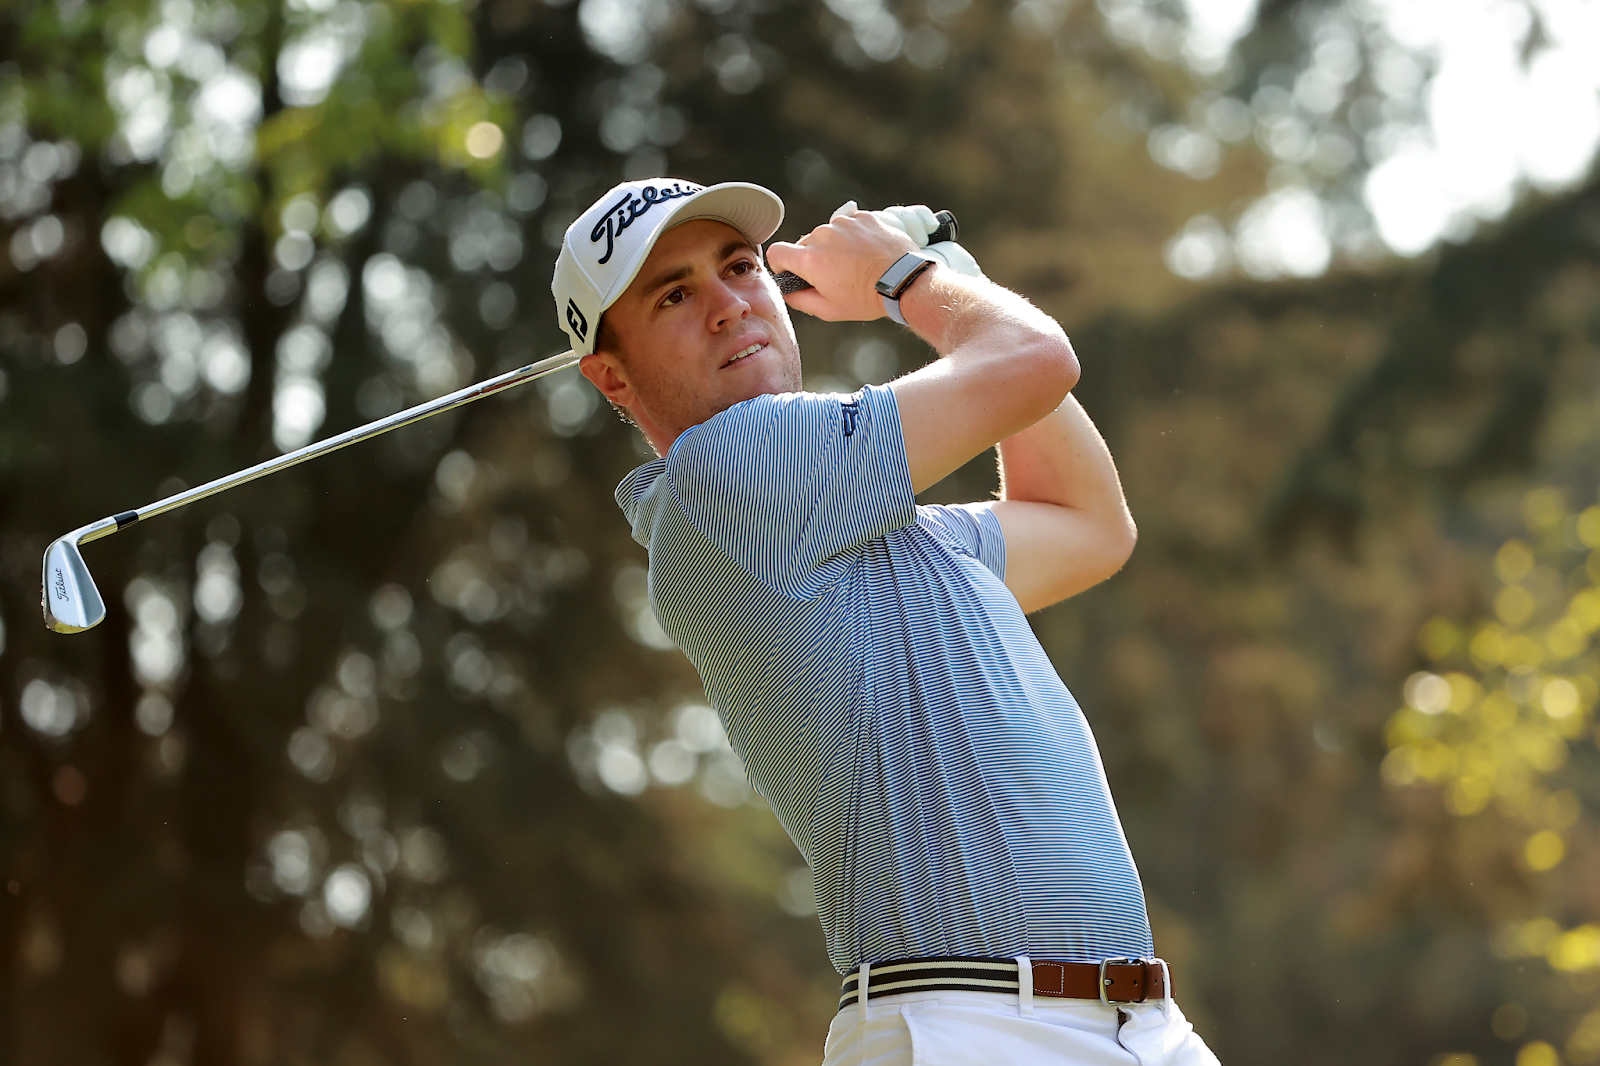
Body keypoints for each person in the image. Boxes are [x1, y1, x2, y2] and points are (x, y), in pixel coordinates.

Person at [551, 178, 1221, 1066]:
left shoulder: (879, 535)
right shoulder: (730, 471)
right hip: (972, 1029)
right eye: (674, 294)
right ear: (611, 374)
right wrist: (908, 278)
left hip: (1128, 1026)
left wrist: (951, 274)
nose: (727, 306)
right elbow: (1035, 361)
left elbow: (1090, 523)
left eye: (740, 266)